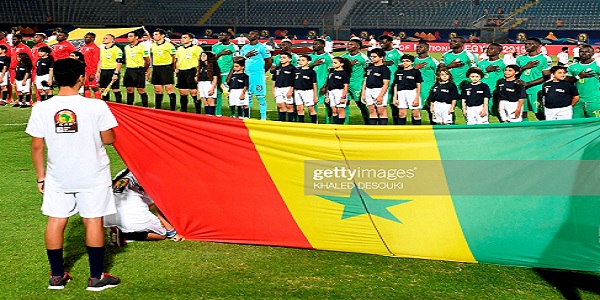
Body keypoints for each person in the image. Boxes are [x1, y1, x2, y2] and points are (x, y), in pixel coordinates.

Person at [25, 58, 120, 291]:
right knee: (93, 220)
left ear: (55, 78)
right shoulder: (96, 106)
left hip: (58, 175)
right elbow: (109, 139)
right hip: (93, 174)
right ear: (81, 78)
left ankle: (57, 276)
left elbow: (37, 146)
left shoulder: (42, 107)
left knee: (56, 220)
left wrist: (41, 177)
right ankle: (96, 277)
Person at [104, 169, 184, 246]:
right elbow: (159, 205)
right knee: (162, 234)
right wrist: (172, 233)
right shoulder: (156, 176)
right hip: (131, 215)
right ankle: (125, 235)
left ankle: (116, 229)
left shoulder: (126, 171)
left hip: (107, 212)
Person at [239, 30, 272, 120]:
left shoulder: (262, 48)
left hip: (258, 75)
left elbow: (268, 61)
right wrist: (246, 56)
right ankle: (247, 116)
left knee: (260, 96)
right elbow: (240, 60)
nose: (249, 35)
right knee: (247, 96)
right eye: (249, 33)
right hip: (246, 74)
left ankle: (263, 118)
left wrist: (262, 72)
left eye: (252, 34)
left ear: (257, 36)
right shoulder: (244, 48)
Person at [516, 37, 550, 121]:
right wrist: (525, 67)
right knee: (522, 112)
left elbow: (547, 76)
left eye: (529, 44)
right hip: (521, 89)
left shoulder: (544, 59)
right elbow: (515, 73)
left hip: (536, 90)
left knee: (539, 113)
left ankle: (545, 130)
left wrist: (529, 83)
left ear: (537, 45)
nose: (526, 46)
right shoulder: (520, 58)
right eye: (525, 44)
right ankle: (524, 131)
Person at [341, 38, 370, 124]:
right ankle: (344, 124)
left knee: (360, 104)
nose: (348, 46)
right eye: (348, 44)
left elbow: (368, 70)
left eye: (351, 44)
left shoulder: (363, 58)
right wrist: (349, 65)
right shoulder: (343, 57)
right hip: (345, 83)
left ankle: (368, 123)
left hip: (357, 84)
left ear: (358, 46)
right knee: (344, 103)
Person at [567, 44, 600, 118]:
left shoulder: (597, 65)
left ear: (592, 53)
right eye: (581, 51)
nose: (584, 53)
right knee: (576, 122)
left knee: (595, 122)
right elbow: (568, 80)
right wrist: (579, 76)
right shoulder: (572, 66)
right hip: (577, 99)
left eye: (587, 51)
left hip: (594, 99)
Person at [212, 32, 239, 116]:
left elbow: (236, 62)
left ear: (228, 37)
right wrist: (220, 54)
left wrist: (230, 76)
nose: (220, 36)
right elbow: (212, 60)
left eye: (223, 35)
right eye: (220, 35)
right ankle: (218, 114)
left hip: (228, 74)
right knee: (217, 94)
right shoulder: (215, 47)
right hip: (217, 74)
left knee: (230, 94)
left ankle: (233, 114)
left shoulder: (234, 47)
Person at [362, 48, 390, 125]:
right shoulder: (369, 68)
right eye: (371, 56)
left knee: (381, 109)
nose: (372, 58)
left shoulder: (385, 69)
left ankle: (382, 129)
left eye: (374, 56)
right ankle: (373, 129)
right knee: (371, 109)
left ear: (381, 57)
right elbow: (365, 80)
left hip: (379, 90)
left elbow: (386, 83)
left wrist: (381, 96)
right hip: (368, 90)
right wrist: (363, 93)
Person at [379, 34, 404, 125]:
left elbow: (403, 68)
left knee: (394, 104)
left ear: (390, 42)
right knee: (379, 104)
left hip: (393, 82)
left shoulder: (398, 54)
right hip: (379, 82)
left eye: (384, 42)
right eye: (380, 42)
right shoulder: (379, 53)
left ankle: (397, 125)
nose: (381, 44)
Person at [175, 33, 202, 112]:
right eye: (182, 38)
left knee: (193, 92)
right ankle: (184, 111)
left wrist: (198, 73)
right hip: (181, 72)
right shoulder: (179, 49)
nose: (182, 39)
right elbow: (177, 60)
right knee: (182, 92)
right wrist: (177, 69)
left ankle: (198, 111)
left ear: (190, 39)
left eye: (185, 37)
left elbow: (201, 61)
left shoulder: (197, 49)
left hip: (192, 71)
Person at [392, 54, 423, 125]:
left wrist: (417, 98)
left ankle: (417, 131)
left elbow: (418, 85)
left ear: (412, 62)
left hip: (412, 92)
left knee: (415, 113)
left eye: (407, 61)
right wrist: (394, 97)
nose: (405, 63)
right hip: (401, 93)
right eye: (403, 61)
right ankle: (401, 131)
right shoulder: (398, 72)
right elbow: (396, 85)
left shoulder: (416, 72)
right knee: (402, 113)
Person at [150, 29, 177, 110]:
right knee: (157, 89)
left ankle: (172, 109)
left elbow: (174, 57)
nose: (154, 36)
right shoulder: (153, 45)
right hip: (156, 68)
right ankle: (158, 108)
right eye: (154, 34)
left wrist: (174, 67)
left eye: (156, 34)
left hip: (166, 68)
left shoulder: (169, 45)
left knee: (169, 89)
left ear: (162, 35)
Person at [414, 41, 439, 125]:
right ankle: (416, 128)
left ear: (427, 49)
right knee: (415, 109)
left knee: (430, 109)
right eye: (417, 47)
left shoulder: (432, 61)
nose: (418, 48)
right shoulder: (413, 60)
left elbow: (439, 73)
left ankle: (433, 128)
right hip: (415, 89)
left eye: (421, 47)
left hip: (428, 88)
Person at [478, 43, 505, 118]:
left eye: (492, 49)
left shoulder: (503, 63)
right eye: (488, 48)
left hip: (496, 92)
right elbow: (474, 74)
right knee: (482, 114)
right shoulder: (481, 63)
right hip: (482, 92)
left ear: (498, 51)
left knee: (500, 114)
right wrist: (485, 70)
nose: (488, 50)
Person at [123, 31, 150, 107]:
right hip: (129, 70)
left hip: (138, 70)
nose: (128, 38)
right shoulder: (126, 47)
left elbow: (147, 61)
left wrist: (144, 70)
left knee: (140, 90)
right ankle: (129, 106)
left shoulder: (141, 47)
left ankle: (145, 106)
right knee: (129, 89)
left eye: (131, 36)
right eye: (128, 36)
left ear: (136, 37)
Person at [311, 39, 334, 123]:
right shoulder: (311, 56)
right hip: (312, 84)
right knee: (313, 103)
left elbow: (331, 73)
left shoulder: (329, 57)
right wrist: (313, 64)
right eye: (313, 44)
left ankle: (329, 122)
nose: (314, 46)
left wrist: (325, 86)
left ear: (323, 45)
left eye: (316, 44)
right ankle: (315, 123)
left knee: (328, 104)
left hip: (324, 84)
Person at [96, 34, 123, 103]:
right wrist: (98, 72)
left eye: (106, 38)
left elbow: (119, 62)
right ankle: (106, 104)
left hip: (112, 70)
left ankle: (119, 105)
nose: (104, 39)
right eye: (104, 38)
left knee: (115, 89)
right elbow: (100, 61)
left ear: (112, 40)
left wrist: (116, 73)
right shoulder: (101, 49)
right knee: (103, 89)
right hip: (104, 71)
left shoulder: (117, 49)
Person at [324, 57, 351, 124]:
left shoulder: (344, 73)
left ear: (341, 64)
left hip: (339, 92)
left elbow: (346, 86)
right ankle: (335, 124)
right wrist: (327, 96)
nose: (333, 64)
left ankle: (340, 125)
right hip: (331, 92)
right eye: (333, 62)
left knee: (340, 110)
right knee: (334, 110)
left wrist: (343, 97)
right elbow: (328, 84)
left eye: (335, 63)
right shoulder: (331, 72)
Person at [271, 52, 295, 121]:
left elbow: (294, 81)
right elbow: (274, 79)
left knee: (289, 106)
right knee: (280, 106)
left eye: (284, 58)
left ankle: (290, 122)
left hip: (287, 88)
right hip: (278, 88)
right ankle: (282, 121)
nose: (281, 59)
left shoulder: (292, 68)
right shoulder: (277, 68)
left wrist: (291, 90)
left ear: (289, 59)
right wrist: (273, 90)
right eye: (281, 58)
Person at [294, 54, 318, 123]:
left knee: (310, 108)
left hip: (307, 91)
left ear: (308, 62)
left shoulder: (311, 72)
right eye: (299, 60)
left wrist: (315, 95)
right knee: (299, 108)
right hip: (297, 91)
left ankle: (315, 123)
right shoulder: (296, 71)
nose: (301, 62)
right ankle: (301, 124)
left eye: (303, 60)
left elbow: (314, 84)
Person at [80, 33, 101, 99]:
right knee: (85, 86)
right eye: (85, 37)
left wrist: (93, 73)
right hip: (83, 70)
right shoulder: (83, 47)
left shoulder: (95, 48)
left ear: (92, 38)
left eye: (87, 37)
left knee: (94, 87)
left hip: (90, 70)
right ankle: (87, 101)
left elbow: (96, 61)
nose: (85, 38)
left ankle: (98, 101)